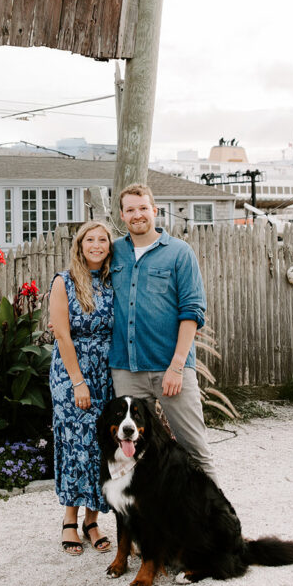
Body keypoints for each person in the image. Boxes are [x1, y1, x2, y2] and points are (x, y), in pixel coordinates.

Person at [109, 183, 219, 485]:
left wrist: (176, 366)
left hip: (170, 368)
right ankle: (147, 527)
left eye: (143, 207)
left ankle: (216, 527)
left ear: (154, 210)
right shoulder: (114, 252)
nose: (137, 214)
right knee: (131, 455)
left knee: (193, 449)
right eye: (130, 209)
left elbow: (193, 312)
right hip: (126, 370)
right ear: (121, 215)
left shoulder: (179, 253)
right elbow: (84, 281)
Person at [49, 220, 114, 554]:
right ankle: (69, 520)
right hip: (72, 372)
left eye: (103, 239)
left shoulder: (111, 280)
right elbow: (61, 333)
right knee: (75, 443)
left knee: (101, 447)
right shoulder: (65, 281)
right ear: (80, 245)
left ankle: (93, 520)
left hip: (106, 372)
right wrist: (78, 382)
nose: (97, 244)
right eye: (91, 239)